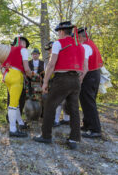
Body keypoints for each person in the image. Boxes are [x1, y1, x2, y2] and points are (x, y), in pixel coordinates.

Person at [33, 21, 87, 150]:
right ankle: (74, 139)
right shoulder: (81, 46)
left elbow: (51, 65)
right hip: (75, 80)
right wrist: (80, 78)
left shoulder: (58, 43)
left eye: (58, 32)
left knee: (50, 105)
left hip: (62, 79)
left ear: (62, 32)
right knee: (74, 109)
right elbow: (85, 66)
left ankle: (46, 136)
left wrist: (45, 82)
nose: (58, 34)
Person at [0, 36, 32, 137]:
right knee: (13, 104)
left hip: (7, 75)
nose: (26, 46)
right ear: (22, 43)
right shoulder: (23, 50)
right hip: (16, 76)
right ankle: (13, 129)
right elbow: (26, 68)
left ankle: (20, 123)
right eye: (25, 43)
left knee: (15, 102)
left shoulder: (9, 50)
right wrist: (32, 75)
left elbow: (1, 66)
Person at [78, 27, 103, 138]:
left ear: (82, 37)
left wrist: (81, 79)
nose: (77, 40)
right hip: (94, 74)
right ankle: (87, 124)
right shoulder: (90, 43)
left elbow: (85, 66)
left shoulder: (85, 46)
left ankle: (95, 129)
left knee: (89, 102)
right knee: (85, 101)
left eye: (77, 38)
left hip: (89, 75)